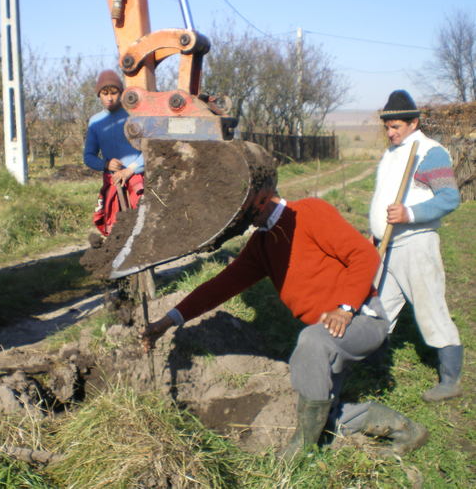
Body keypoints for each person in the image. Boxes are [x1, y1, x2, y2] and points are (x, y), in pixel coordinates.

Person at [141, 193, 428, 461]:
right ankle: (405, 429)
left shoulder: (309, 212)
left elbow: (364, 255)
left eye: (241, 211)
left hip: (361, 319)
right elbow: (220, 286)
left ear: (261, 199)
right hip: (328, 336)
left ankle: (300, 452)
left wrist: (345, 308)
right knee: (325, 416)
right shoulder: (262, 245)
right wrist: (168, 321)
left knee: (311, 341)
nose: (239, 221)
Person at [370, 89, 462, 402]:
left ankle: (451, 380)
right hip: (386, 247)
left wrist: (409, 213)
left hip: (416, 245)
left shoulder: (429, 152)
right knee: (378, 309)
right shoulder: (392, 152)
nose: (390, 132)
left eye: (396, 127)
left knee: (431, 309)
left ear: (414, 123)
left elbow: (450, 198)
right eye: (387, 127)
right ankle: (373, 368)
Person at [83, 69, 145, 237]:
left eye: (114, 92)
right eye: (105, 93)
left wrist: (131, 169)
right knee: (116, 230)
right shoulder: (96, 122)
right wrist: (105, 164)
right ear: (99, 95)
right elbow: (88, 156)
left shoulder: (134, 115)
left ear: (122, 93)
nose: (109, 98)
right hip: (114, 182)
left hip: (138, 182)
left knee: (143, 225)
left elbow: (151, 150)